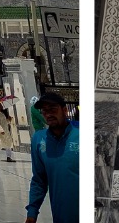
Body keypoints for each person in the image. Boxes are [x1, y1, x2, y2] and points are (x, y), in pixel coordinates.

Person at [24, 91, 78, 223]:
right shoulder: (39, 140)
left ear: (64, 110)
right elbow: (39, 179)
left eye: (53, 109)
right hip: (60, 214)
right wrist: (32, 212)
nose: (48, 114)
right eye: (44, 111)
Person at [0, 98, 19, 163]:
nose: (1, 106)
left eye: (1, 105)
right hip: (0, 131)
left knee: (8, 143)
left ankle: (9, 157)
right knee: (0, 143)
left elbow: (5, 122)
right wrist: (1, 130)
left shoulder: (2, 114)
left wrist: (9, 120)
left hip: (6, 130)